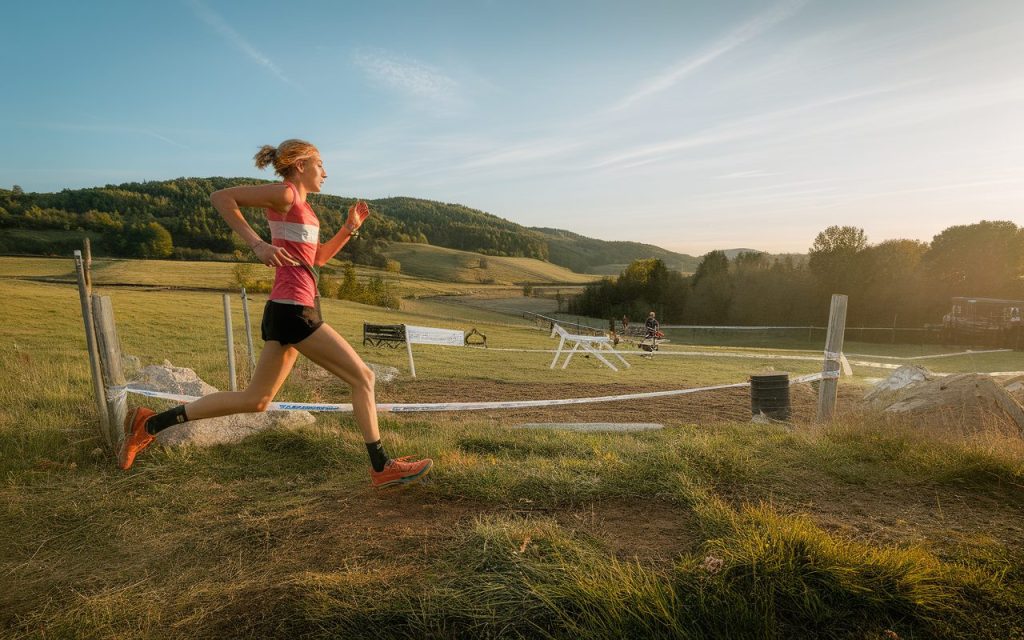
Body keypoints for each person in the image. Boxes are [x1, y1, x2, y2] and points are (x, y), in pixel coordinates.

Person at [118, 139, 432, 487]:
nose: (325, 172)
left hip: (288, 308)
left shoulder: (306, 210)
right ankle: (381, 466)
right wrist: (257, 244)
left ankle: (150, 424)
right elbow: (221, 197)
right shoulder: (286, 195)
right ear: (300, 165)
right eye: (320, 164)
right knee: (363, 378)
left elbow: (318, 259)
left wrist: (348, 229)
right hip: (295, 311)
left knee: (256, 400)